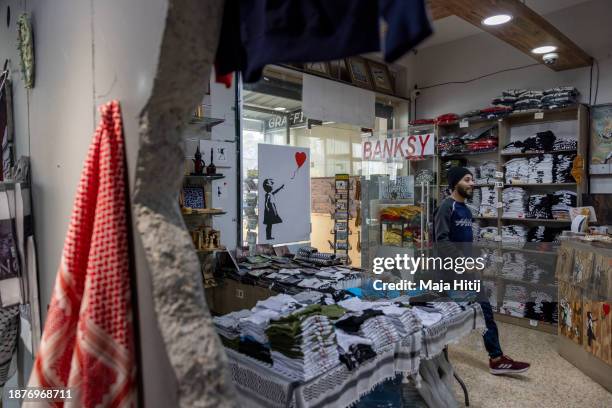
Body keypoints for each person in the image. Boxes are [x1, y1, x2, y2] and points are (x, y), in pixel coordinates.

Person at [434, 166, 530, 375]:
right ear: (455, 183)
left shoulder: (467, 211)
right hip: (448, 273)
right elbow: (441, 241)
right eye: (467, 179)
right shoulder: (446, 207)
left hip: (467, 273)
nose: (472, 183)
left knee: (485, 312)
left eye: (472, 180)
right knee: (440, 317)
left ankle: (496, 358)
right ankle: (434, 359)